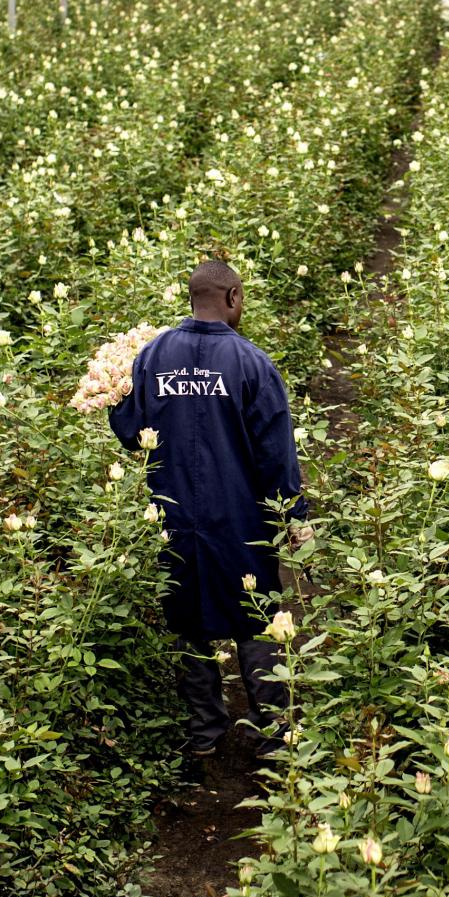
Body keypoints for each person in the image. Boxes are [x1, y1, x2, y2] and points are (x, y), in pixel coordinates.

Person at [109, 260, 307, 774]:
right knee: (257, 619)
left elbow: (131, 431)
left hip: (171, 516)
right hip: (239, 517)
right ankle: (272, 739)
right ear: (234, 297)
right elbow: (275, 452)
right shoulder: (251, 363)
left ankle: (204, 731)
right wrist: (292, 514)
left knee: (186, 619)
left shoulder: (153, 356)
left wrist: (111, 393)